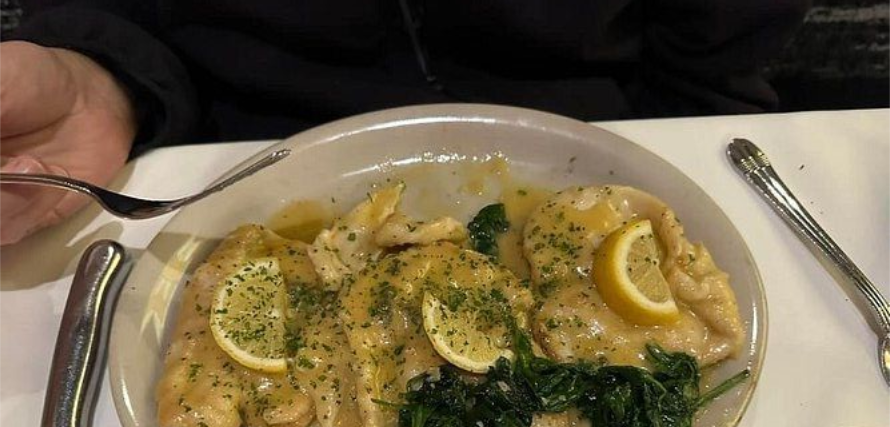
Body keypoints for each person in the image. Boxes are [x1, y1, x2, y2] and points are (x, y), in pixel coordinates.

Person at [0, 0, 809, 245]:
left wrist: (690, 163)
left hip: (609, 134)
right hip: (229, 156)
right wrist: (96, 77)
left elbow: (716, 58)